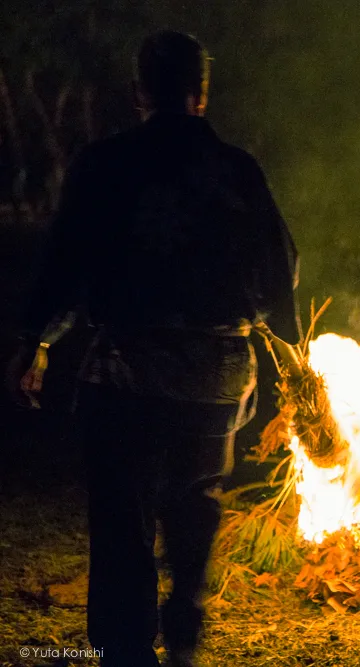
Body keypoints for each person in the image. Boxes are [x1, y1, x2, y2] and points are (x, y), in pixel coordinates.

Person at [5, 31, 301, 667]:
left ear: (138, 91)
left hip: (127, 379)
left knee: (122, 522)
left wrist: (35, 342)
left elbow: (66, 266)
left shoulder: (106, 165)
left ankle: (126, 650)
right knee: (195, 507)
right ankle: (185, 633)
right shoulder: (237, 170)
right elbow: (280, 272)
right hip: (215, 384)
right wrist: (289, 346)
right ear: (203, 92)